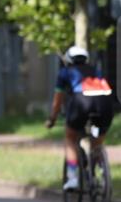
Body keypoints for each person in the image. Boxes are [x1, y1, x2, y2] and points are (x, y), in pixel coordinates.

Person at [45, 46, 114, 191]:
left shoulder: (65, 72)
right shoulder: (96, 71)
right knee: (97, 141)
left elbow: (58, 99)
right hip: (105, 103)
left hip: (82, 101)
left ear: (68, 60)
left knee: (70, 138)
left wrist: (52, 118)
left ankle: (72, 178)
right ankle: (101, 171)